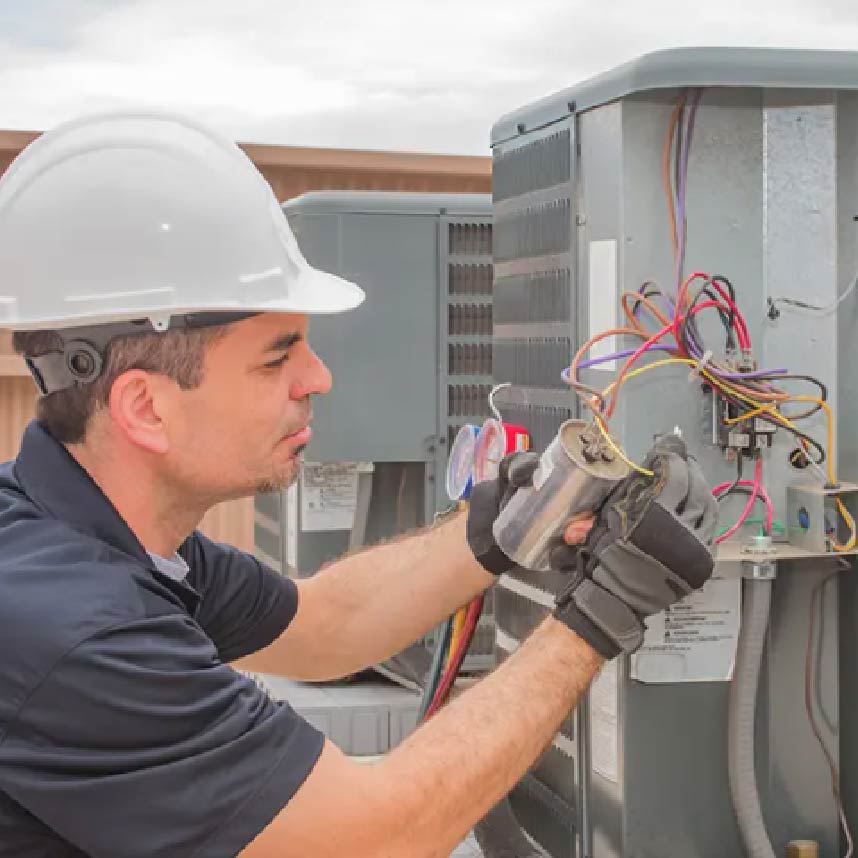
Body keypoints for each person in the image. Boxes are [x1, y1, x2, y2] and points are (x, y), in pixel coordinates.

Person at [0, 112, 718, 858]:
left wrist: (501, 525)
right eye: (278, 360)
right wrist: (601, 615)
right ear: (145, 407)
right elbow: (373, 840)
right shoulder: (73, 630)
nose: (319, 378)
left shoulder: (106, 538)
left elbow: (322, 625)